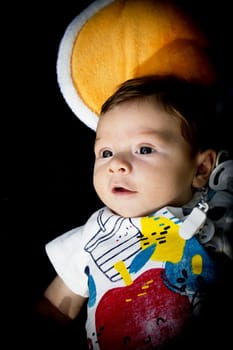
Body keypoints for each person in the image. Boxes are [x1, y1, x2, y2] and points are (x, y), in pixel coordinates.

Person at [38, 74, 233, 349]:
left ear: (201, 168)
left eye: (144, 149)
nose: (116, 164)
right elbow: (55, 307)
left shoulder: (218, 205)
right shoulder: (92, 236)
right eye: (105, 153)